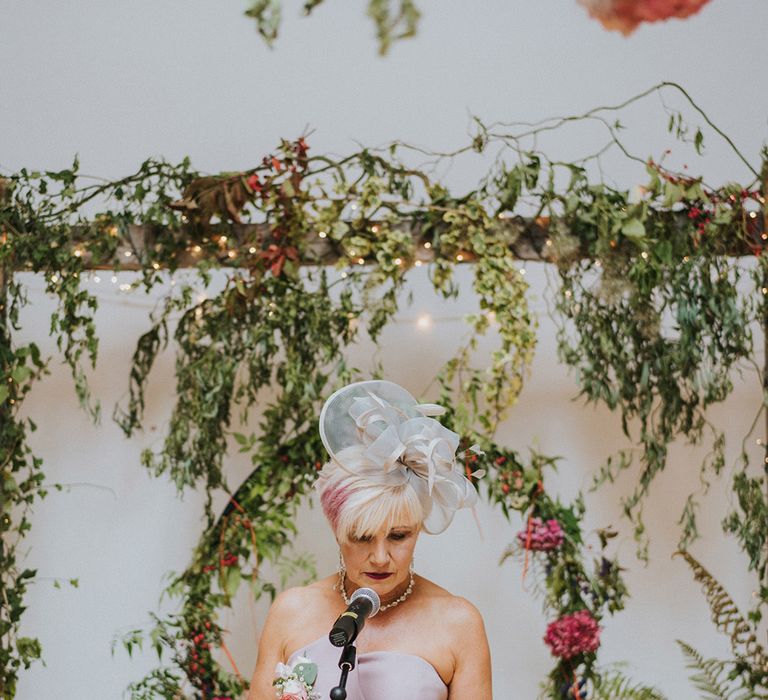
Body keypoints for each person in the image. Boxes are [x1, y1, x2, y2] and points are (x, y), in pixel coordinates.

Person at [247, 380, 492, 699]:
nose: (380, 557)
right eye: (362, 537)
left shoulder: (459, 623)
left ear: (417, 530)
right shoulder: (291, 611)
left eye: (398, 536)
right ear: (337, 532)